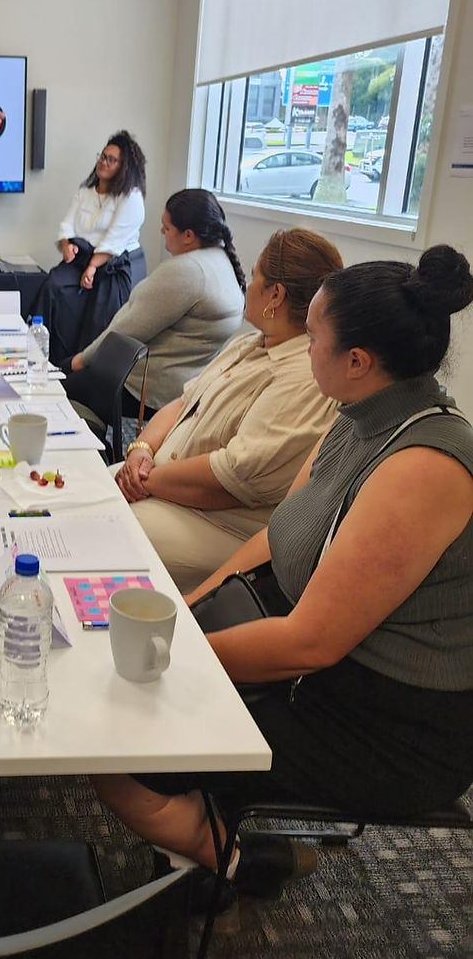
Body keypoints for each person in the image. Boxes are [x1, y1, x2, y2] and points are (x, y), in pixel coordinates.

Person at [93, 245, 473, 901]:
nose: (304, 347)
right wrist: (189, 614)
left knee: (115, 743)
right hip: (323, 665)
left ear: (357, 360)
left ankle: (244, 861)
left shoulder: (424, 464)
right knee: (135, 698)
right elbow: (279, 533)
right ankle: (210, 836)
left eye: (316, 335)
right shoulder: (361, 412)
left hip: (387, 719)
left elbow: (312, 642)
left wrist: (177, 657)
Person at [115, 228, 342, 593]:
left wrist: (145, 478)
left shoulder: (302, 376)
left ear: (275, 295)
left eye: (253, 277)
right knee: (83, 489)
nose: (247, 286)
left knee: (102, 527)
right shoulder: (251, 344)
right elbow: (183, 402)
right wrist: (140, 451)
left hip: (215, 523)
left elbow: (232, 481)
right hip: (163, 484)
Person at [64, 189, 246, 422]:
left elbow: (125, 330)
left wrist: (78, 360)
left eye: (167, 227)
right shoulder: (222, 261)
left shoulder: (188, 271)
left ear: (188, 235)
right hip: (185, 388)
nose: (161, 232)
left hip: (144, 392)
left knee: (58, 388)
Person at [35, 131, 147, 363]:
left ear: (124, 166)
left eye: (111, 159)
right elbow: (67, 224)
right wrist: (66, 245)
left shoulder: (131, 197)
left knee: (98, 322)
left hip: (112, 265)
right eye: (102, 156)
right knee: (52, 287)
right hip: (81, 259)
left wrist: (93, 267)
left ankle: (82, 371)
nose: (103, 162)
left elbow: (115, 238)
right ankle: (48, 358)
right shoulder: (85, 191)